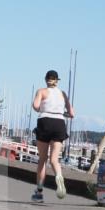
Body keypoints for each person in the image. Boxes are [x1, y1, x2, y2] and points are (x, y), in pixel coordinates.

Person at [30, 69, 74, 202]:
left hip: (45, 122)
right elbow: (71, 113)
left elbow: (35, 106)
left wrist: (42, 108)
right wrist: (62, 113)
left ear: (46, 79)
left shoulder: (41, 91)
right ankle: (59, 177)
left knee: (42, 159)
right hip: (59, 123)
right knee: (54, 159)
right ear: (57, 80)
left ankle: (39, 192)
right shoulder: (63, 94)